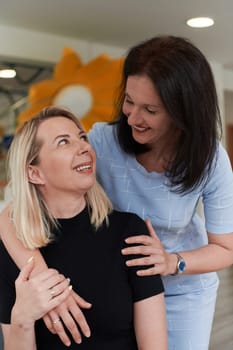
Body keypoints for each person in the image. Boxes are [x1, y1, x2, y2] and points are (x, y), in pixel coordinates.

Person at [1, 35, 233, 349]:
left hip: (183, 288)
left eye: (150, 109)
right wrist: (47, 283)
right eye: (129, 101)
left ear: (183, 112)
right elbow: (12, 213)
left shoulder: (210, 160)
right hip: (117, 278)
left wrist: (171, 262)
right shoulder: (100, 144)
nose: (133, 118)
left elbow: (226, 248)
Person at [0, 107, 167, 350]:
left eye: (82, 137)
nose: (83, 148)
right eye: (63, 142)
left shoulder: (129, 232)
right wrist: (22, 319)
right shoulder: (13, 250)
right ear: (34, 173)